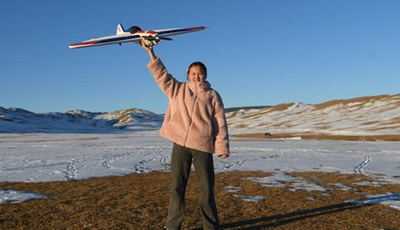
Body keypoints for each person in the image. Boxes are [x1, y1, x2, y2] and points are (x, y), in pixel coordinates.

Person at [140, 39, 230, 230]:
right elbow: (161, 75)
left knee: (206, 190)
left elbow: (220, 123)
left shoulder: (213, 95)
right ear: (188, 75)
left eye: (200, 73)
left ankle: (211, 226)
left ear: (205, 75)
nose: (196, 76)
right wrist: (151, 52)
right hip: (180, 145)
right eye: (193, 73)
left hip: (202, 147)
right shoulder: (177, 89)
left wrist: (221, 147)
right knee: (177, 188)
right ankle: (173, 226)